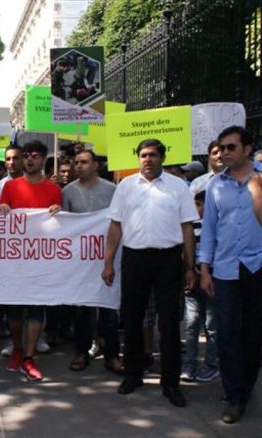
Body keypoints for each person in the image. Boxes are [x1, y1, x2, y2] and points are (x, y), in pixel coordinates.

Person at [102, 139, 198, 408]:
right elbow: (115, 227)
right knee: (131, 319)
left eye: (153, 155)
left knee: (168, 323)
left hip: (169, 260)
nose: (147, 159)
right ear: (137, 158)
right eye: (143, 155)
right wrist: (108, 262)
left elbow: (187, 228)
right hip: (134, 259)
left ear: (163, 157)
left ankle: (171, 384)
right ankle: (133, 375)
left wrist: (190, 268)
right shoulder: (125, 187)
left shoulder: (178, 187)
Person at [199, 126, 262, 424]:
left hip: (258, 267)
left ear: (247, 149)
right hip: (225, 270)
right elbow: (209, 229)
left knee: (254, 334)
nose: (223, 153)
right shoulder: (215, 186)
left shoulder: (261, 177)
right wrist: (205, 269)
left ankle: (245, 387)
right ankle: (235, 394)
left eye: (230, 147)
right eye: (221, 148)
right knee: (226, 333)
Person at [0, 140, 62, 381]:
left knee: (36, 309)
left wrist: (58, 210)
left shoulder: (54, 190)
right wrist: (3, 209)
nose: (29, 160)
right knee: (14, 310)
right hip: (15, 260)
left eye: (34, 155)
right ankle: (17, 347)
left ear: (43, 159)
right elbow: (1, 217)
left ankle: (29, 356)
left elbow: (62, 227)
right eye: (26, 156)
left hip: (40, 261)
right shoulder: (11, 187)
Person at [62, 150, 123, 374]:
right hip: (81, 261)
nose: (79, 166)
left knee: (108, 309)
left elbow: (117, 221)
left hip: (108, 256)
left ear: (95, 165)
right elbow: (67, 225)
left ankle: (112, 355)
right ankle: (81, 351)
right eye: (76, 162)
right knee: (82, 309)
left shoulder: (112, 189)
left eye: (84, 162)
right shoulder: (67, 191)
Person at [181, 190, 218, 383]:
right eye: (195, 204)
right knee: (191, 323)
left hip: (214, 280)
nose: (197, 209)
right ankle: (189, 363)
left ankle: (211, 364)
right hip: (192, 280)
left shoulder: (218, 226)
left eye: (200, 205)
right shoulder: (190, 226)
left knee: (211, 325)